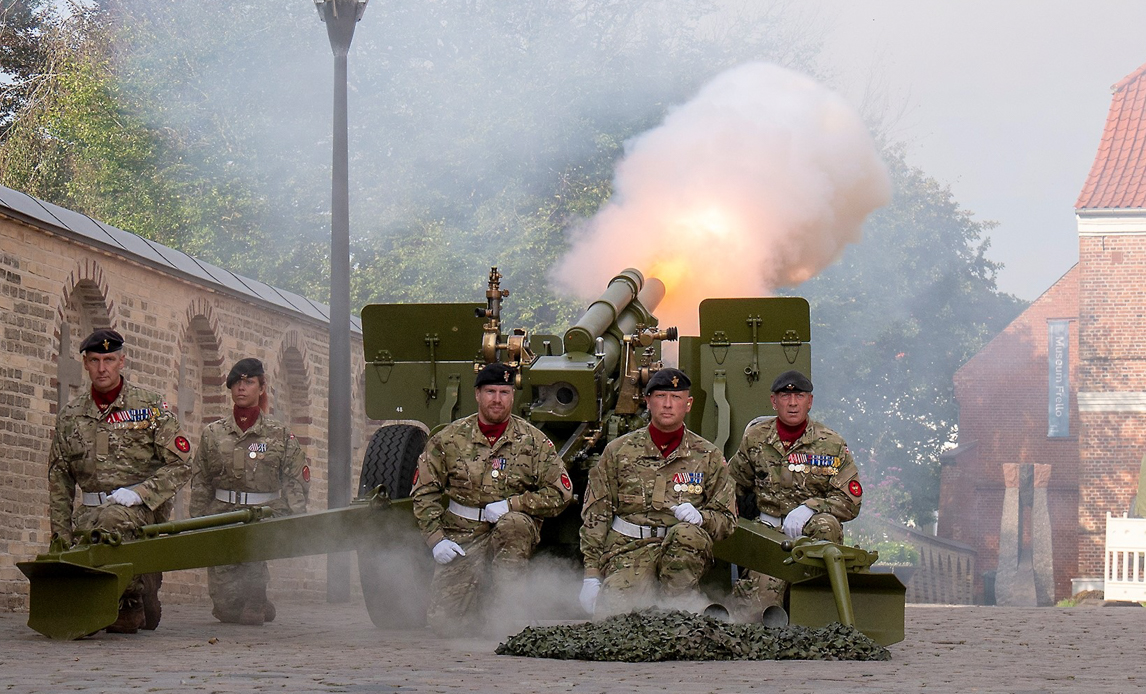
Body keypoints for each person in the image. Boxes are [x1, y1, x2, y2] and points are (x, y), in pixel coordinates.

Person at [411, 362, 574, 634]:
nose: (497, 399)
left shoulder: (532, 441)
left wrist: (514, 505)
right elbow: (424, 492)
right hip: (462, 533)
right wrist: (436, 540)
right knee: (445, 623)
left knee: (514, 524)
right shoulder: (448, 439)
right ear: (477, 395)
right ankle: (477, 606)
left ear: (513, 396)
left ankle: (509, 608)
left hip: (511, 531)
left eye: (504, 392)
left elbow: (561, 492)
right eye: (490, 392)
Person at [48, 328, 193, 633]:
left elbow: (181, 465)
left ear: (122, 361)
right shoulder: (70, 416)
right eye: (95, 360)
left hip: (141, 510)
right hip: (90, 513)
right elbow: (60, 479)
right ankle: (141, 584)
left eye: (110, 359)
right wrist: (60, 538)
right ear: (85, 363)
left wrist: (140, 493)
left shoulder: (150, 407)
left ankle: (131, 603)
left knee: (112, 522)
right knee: (87, 539)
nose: (103, 368)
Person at [579, 368, 736, 616]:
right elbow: (596, 515)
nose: (667, 405)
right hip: (628, 549)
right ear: (647, 401)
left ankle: (682, 606)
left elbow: (727, 521)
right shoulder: (619, 451)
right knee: (615, 616)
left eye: (676, 398)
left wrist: (701, 518)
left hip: (682, 555)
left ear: (688, 404)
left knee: (687, 534)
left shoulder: (708, 456)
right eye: (660, 396)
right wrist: (591, 575)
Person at [729, 369, 863, 618]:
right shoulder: (755, 438)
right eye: (785, 396)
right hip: (768, 537)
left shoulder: (831, 444)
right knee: (759, 615)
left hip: (814, 541)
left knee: (827, 525)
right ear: (773, 401)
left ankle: (818, 603)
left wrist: (811, 508)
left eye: (799, 396)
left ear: (809, 401)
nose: (792, 403)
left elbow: (850, 501)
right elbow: (731, 486)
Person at [190, 358, 309, 626]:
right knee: (225, 610)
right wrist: (197, 521)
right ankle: (256, 603)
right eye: (237, 383)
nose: (242, 388)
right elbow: (201, 481)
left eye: (249, 382)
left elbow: (295, 480)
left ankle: (257, 594)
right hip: (222, 514)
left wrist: (296, 519)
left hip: (263, 515)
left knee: (249, 608)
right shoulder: (213, 433)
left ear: (262, 387)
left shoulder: (279, 434)